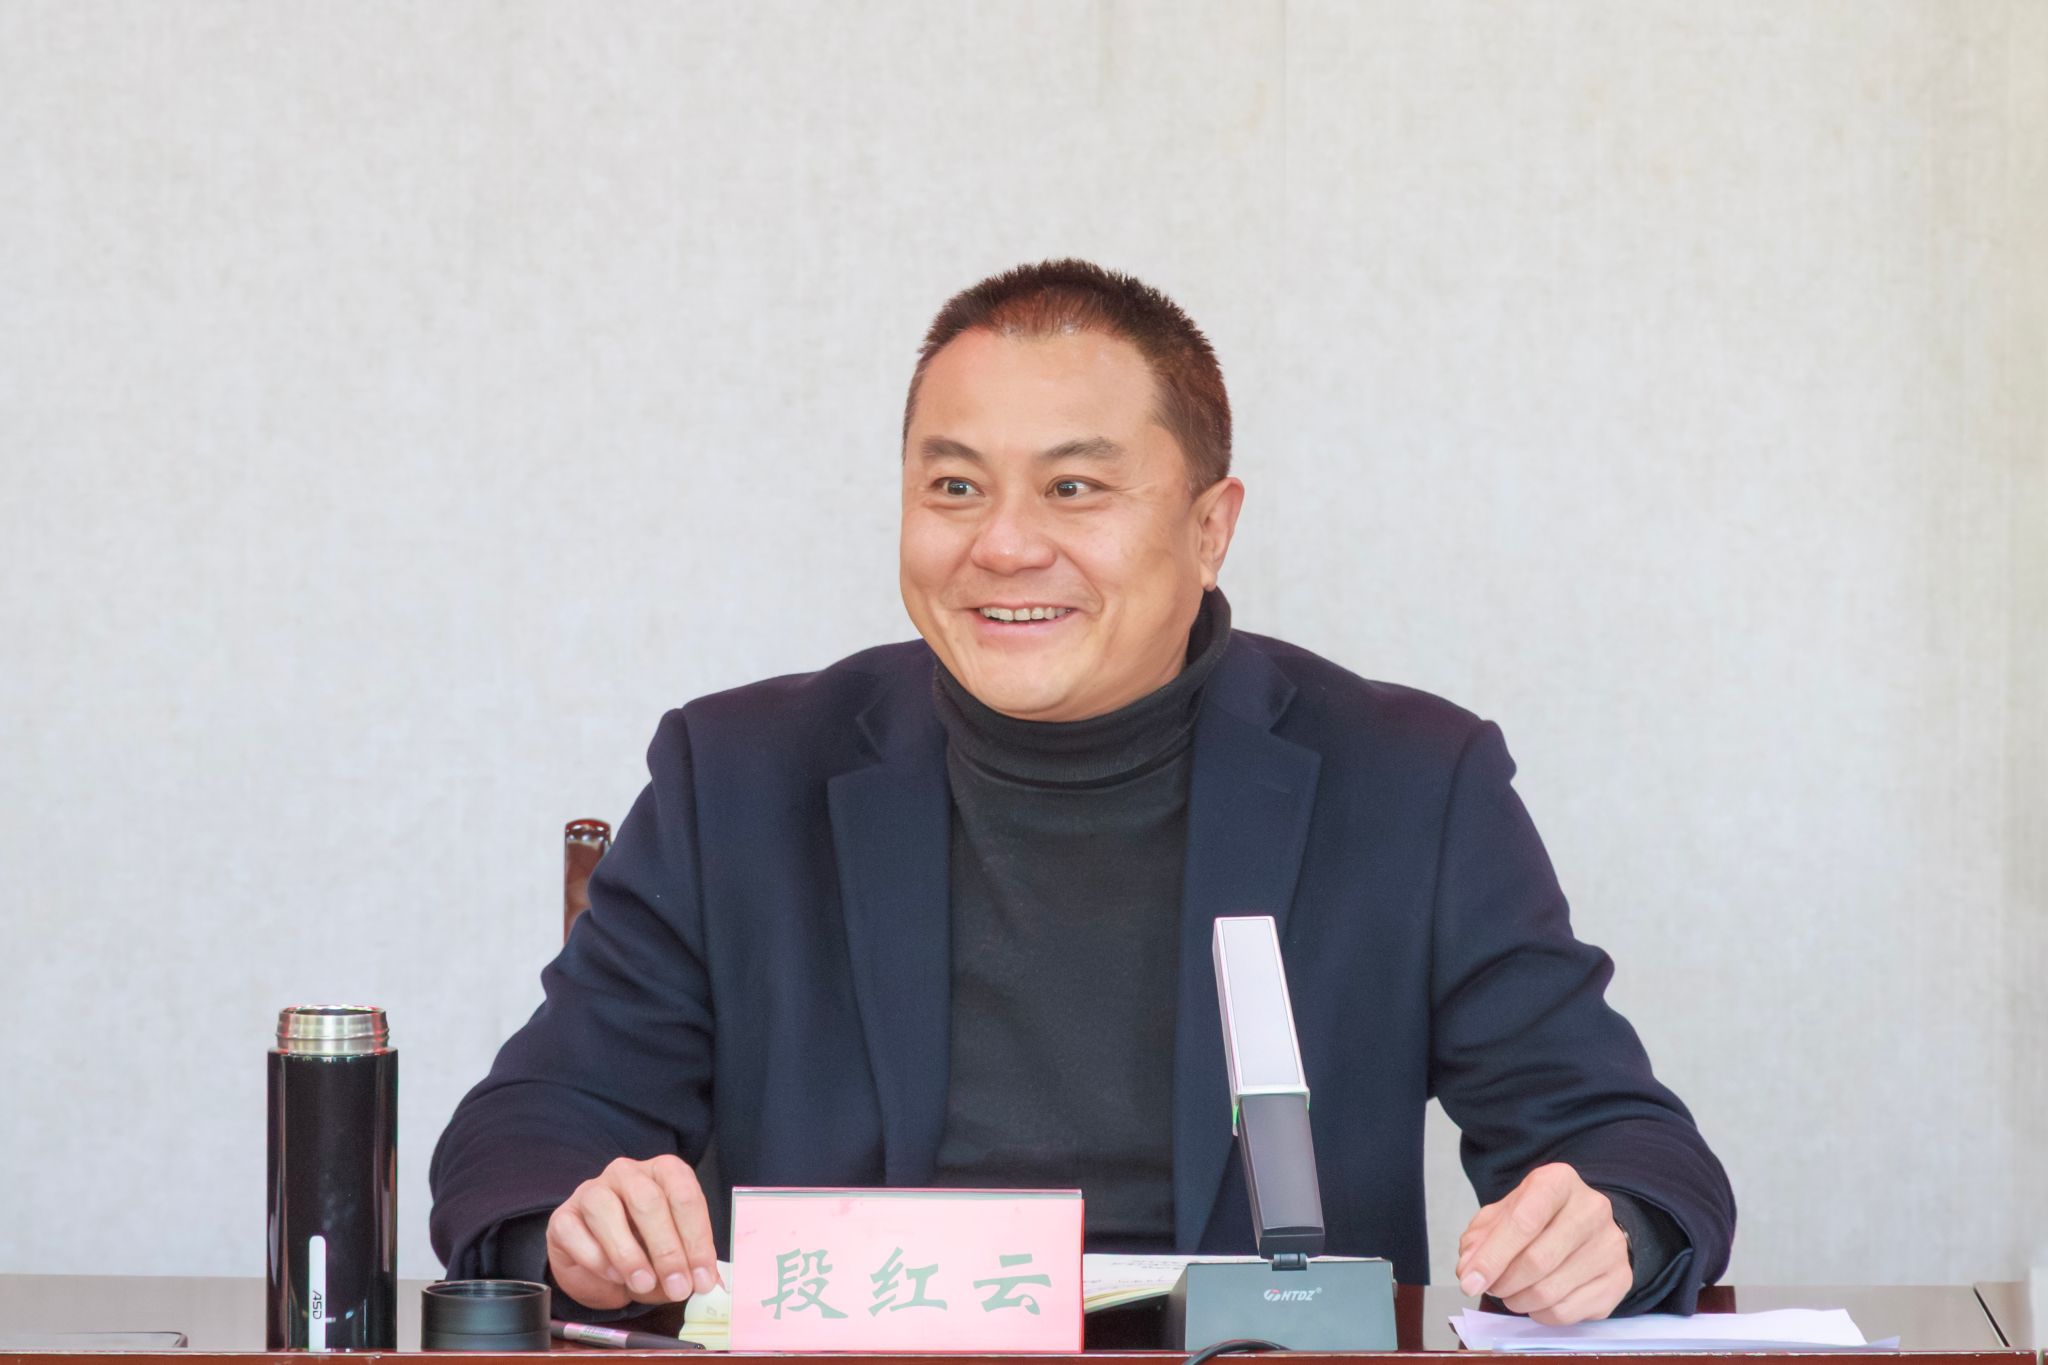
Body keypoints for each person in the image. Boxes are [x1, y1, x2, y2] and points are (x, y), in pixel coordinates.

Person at [429, 259, 1735, 1327]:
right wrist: (577, 1224)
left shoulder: (1407, 781)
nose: (1004, 543)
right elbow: (525, 1133)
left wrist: (1604, 1226)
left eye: (1074, 487)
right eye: (954, 486)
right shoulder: (741, 775)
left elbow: (1626, 1143)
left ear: (1210, 527)